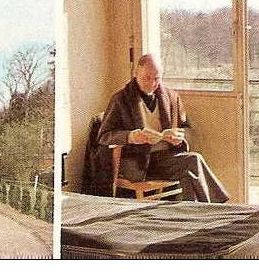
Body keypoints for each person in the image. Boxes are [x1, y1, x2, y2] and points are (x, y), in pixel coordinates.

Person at [98, 53, 229, 203]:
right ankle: (212, 207)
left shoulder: (171, 97)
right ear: (136, 74)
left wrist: (180, 136)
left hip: (164, 159)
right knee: (192, 164)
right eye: (147, 78)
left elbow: (186, 128)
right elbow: (104, 136)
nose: (152, 83)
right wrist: (132, 136)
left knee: (192, 164)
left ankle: (195, 211)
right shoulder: (120, 99)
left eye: (157, 78)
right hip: (137, 162)